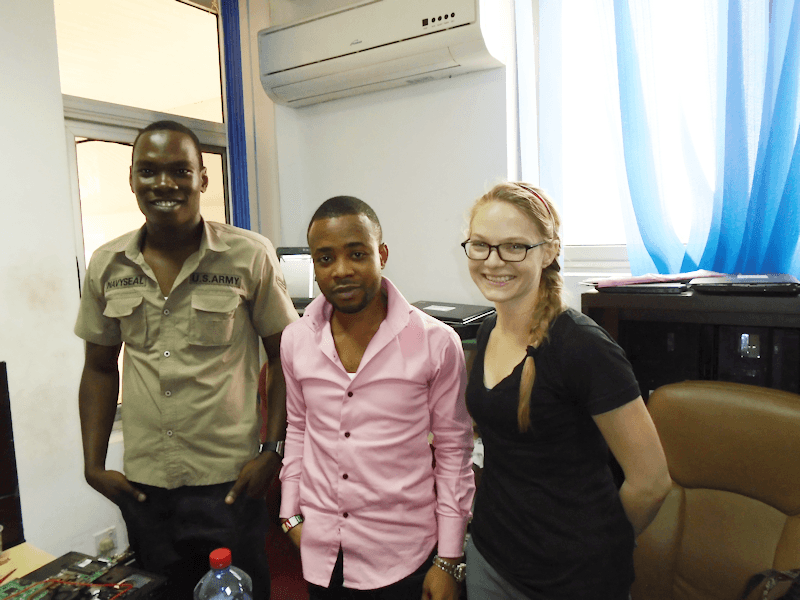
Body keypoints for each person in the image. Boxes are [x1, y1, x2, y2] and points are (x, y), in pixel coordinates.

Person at [75, 120, 298, 599]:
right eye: (148, 171)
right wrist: (93, 464)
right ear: (131, 179)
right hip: (145, 485)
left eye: (180, 170)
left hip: (230, 482)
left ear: (202, 179)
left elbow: (286, 360)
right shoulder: (107, 265)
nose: (164, 183)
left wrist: (272, 451)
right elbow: (98, 368)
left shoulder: (248, 255)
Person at [461, 182, 672, 600]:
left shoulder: (583, 346)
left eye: (514, 247)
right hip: (493, 556)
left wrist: (597, 549)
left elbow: (651, 482)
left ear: (549, 251)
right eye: (481, 245)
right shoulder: (487, 330)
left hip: (572, 578)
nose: (493, 261)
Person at [279, 196, 475, 600]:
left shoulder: (436, 342)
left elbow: (454, 451)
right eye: (326, 258)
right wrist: (289, 514)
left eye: (357, 254)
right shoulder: (295, 339)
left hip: (404, 556)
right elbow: (297, 428)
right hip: (322, 552)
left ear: (381, 255)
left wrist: (449, 558)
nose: (342, 270)